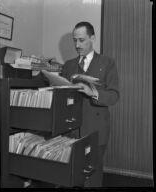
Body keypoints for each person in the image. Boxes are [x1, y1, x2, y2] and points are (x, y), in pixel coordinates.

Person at [61, 21, 119, 187]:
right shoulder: (69, 65)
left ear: (92, 38)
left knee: (91, 177)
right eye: (74, 40)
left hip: (96, 129)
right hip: (71, 130)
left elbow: (114, 96)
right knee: (71, 174)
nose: (77, 45)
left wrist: (92, 92)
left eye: (82, 40)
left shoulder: (107, 63)